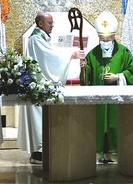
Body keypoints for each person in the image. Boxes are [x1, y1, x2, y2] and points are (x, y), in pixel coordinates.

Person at [18, 11, 85, 164]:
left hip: (42, 86)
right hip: (38, 87)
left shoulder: (41, 38)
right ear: (40, 24)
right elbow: (50, 56)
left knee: (42, 118)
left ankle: (43, 152)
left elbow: (49, 56)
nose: (52, 25)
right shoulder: (36, 39)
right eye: (50, 23)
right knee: (38, 119)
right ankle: (38, 154)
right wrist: (71, 54)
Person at [80, 10, 133, 163]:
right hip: (98, 101)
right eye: (102, 39)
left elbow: (132, 73)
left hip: (117, 100)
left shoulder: (124, 52)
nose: (105, 41)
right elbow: (86, 81)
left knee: (115, 124)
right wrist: (84, 68)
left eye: (108, 38)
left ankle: (116, 155)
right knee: (98, 126)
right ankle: (99, 155)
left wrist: (118, 77)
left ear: (113, 37)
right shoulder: (92, 54)